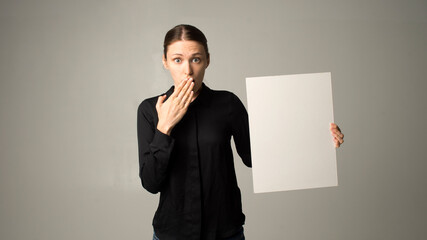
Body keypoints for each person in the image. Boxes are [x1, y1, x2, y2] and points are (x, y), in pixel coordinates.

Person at [137, 24, 344, 240]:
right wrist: (165, 127)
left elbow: (256, 157)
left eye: (196, 59)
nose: (187, 70)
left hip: (225, 232)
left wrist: (319, 136)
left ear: (207, 60)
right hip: (171, 234)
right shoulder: (149, 110)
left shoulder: (227, 103)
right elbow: (151, 183)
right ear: (165, 61)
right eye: (177, 60)